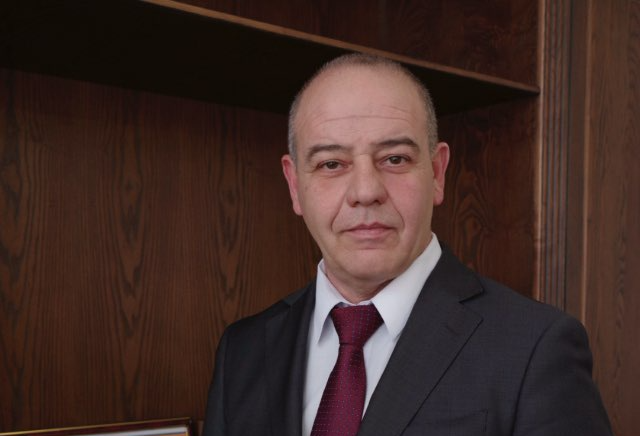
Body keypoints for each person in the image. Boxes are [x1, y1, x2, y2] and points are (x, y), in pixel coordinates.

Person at [202, 53, 612, 436]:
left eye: (394, 159)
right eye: (332, 164)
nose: (366, 192)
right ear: (295, 186)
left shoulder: (536, 348)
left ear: (437, 173)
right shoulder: (243, 350)